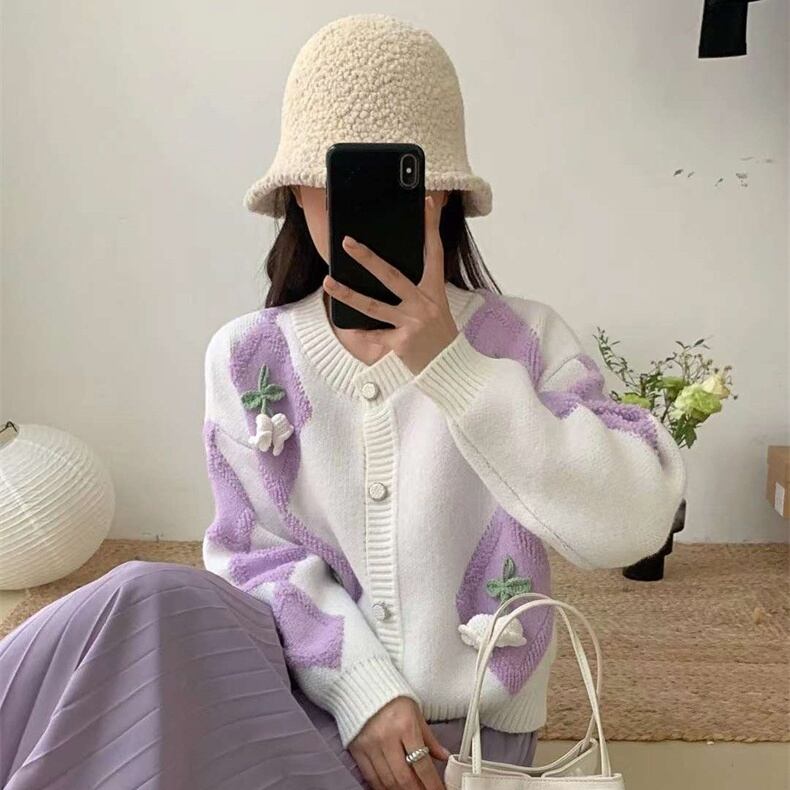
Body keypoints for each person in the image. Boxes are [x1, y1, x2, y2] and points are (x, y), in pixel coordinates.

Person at [0, 13, 687, 790]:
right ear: (295, 192)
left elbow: (636, 523)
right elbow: (253, 556)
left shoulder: (523, 343)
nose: (355, 210)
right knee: (140, 597)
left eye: (395, 184)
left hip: (458, 751)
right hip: (287, 696)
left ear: (442, 195)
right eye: (332, 181)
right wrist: (363, 691)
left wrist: (452, 367)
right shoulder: (247, 356)